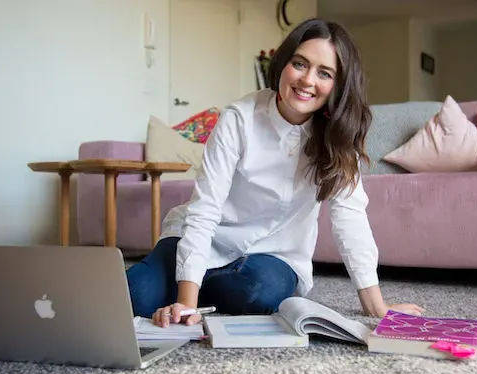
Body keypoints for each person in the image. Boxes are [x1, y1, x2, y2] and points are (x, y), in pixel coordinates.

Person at [127, 18, 424, 328]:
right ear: (284, 64)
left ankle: (194, 288)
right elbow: (204, 210)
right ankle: (193, 287)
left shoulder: (338, 137)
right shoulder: (238, 119)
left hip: (271, 256)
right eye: (300, 64)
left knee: (262, 292)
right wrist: (186, 304)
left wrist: (376, 306)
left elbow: (350, 219)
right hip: (207, 239)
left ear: (338, 85)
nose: (308, 80)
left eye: (324, 73)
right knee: (134, 294)